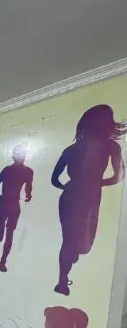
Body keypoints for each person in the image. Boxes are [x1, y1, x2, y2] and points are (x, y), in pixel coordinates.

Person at [52, 104, 126, 296]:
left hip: (73, 195)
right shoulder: (110, 147)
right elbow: (118, 176)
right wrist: (97, 183)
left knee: (78, 244)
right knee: (72, 240)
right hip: (87, 196)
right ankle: (62, 281)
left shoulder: (73, 149)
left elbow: (55, 179)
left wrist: (68, 187)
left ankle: (68, 262)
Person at [0, 144, 33, 272]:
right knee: (2, 236)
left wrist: (1, 197)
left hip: (9, 204)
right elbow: (28, 188)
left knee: (8, 235)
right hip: (11, 204)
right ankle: (2, 260)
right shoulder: (24, 171)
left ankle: (3, 261)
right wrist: (28, 195)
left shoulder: (20, 171)